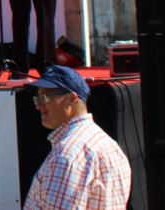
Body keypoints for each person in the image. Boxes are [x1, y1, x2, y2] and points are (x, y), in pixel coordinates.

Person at [24, 65, 132, 209]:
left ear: (71, 98)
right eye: (37, 99)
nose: (38, 105)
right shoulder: (109, 145)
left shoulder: (66, 155)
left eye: (44, 97)